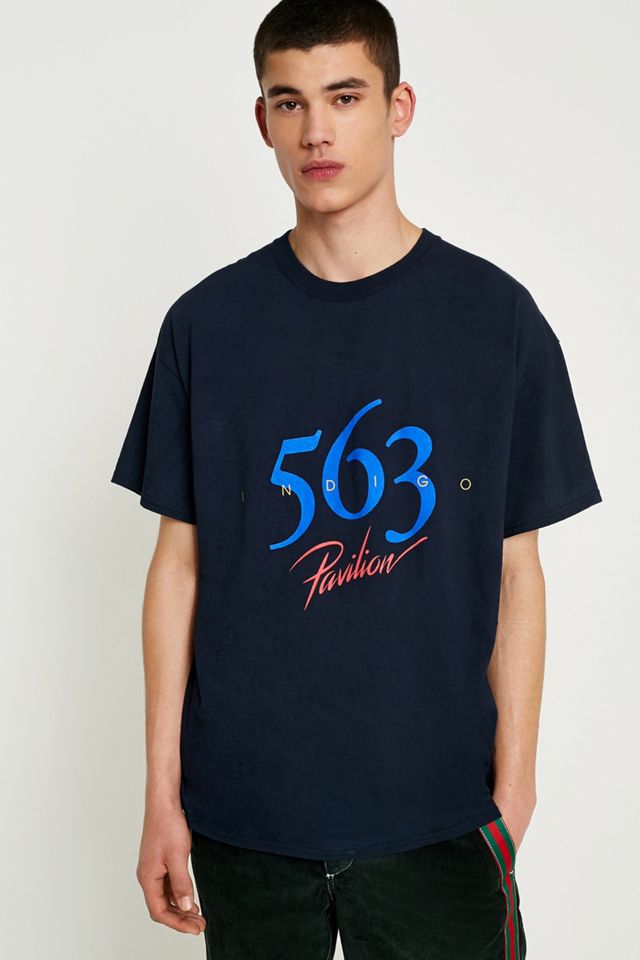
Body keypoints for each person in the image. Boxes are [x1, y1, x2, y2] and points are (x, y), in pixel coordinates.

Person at [110, 1, 603, 956]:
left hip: (439, 814)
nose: (316, 132)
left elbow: (517, 570)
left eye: (344, 96)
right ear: (262, 120)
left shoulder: (495, 320)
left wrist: (514, 788)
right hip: (247, 816)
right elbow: (178, 566)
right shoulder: (206, 327)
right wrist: (161, 795)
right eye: (289, 102)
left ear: (398, 107)